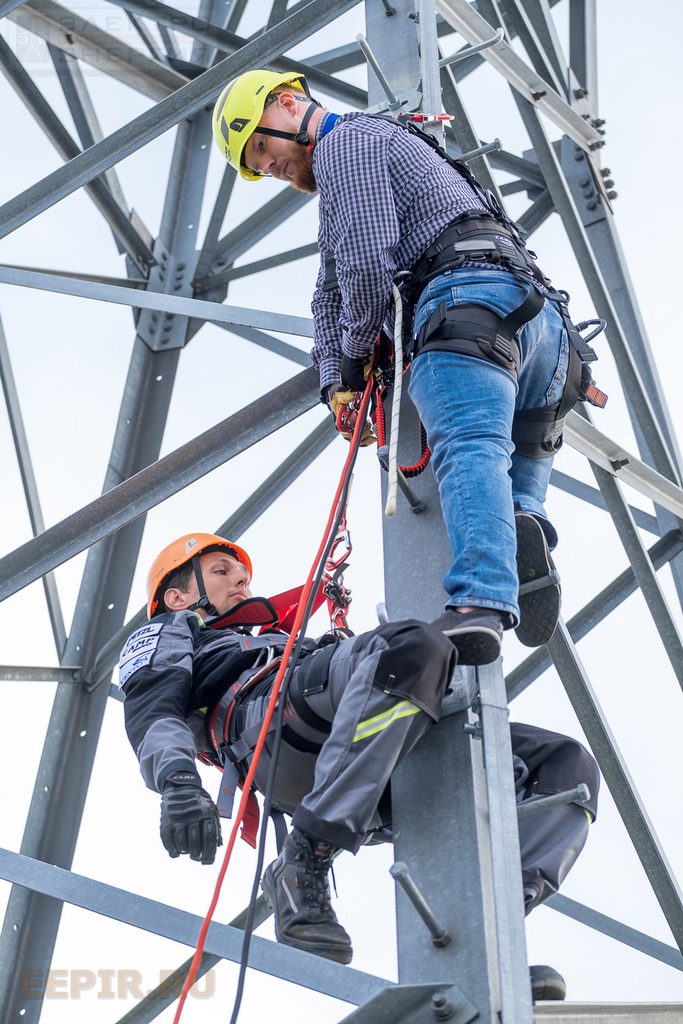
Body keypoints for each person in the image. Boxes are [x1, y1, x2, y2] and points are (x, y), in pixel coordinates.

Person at [211, 70, 605, 666]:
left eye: (263, 148)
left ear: (289, 104)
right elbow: (330, 292)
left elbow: (367, 264)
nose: (270, 167)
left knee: (470, 449)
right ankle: (525, 527)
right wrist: (334, 378)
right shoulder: (399, 152)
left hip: (467, 310)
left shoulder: (345, 144)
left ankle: (481, 603)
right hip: (544, 333)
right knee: (507, 479)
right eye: (256, 166)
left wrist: (350, 359)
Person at [119, 533, 599, 992]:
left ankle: (495, 933)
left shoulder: (270, 635)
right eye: (221, 572)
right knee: (411, 646)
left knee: (563, 767)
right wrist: (179, 782)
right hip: (269, 730)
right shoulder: (174, 629)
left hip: (361, 754)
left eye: (243, 573)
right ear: (179, 597)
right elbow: (153, 708)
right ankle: (308, 853)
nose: (242, 581)